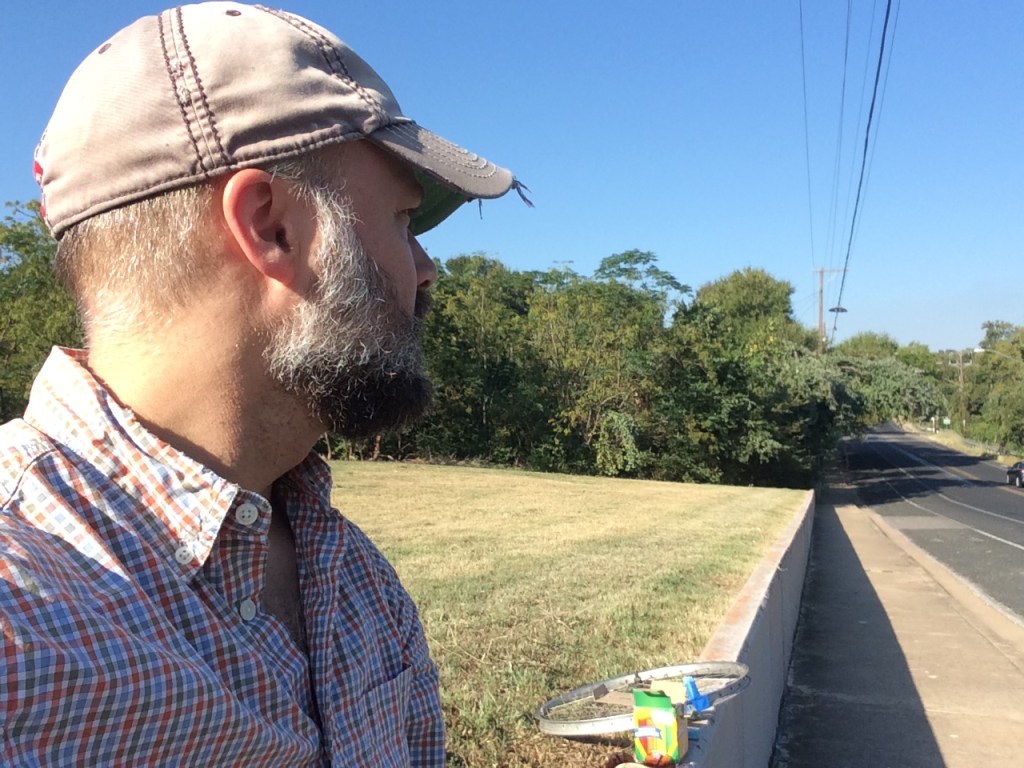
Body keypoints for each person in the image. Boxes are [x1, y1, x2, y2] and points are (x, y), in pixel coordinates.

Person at [0, 3, 521, 765]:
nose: (426, 269)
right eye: (405, 221)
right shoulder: (22, 625)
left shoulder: (356, 583)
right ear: (271, 227)